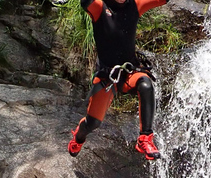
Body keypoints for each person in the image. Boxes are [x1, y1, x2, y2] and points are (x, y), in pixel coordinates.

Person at [67, 0, 169, 160]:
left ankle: (145, 138)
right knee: (92, 123)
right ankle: (78, 138)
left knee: (146, 84)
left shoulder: (136, 4)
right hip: (106, 77)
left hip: (129, 72)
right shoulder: (100, 7)